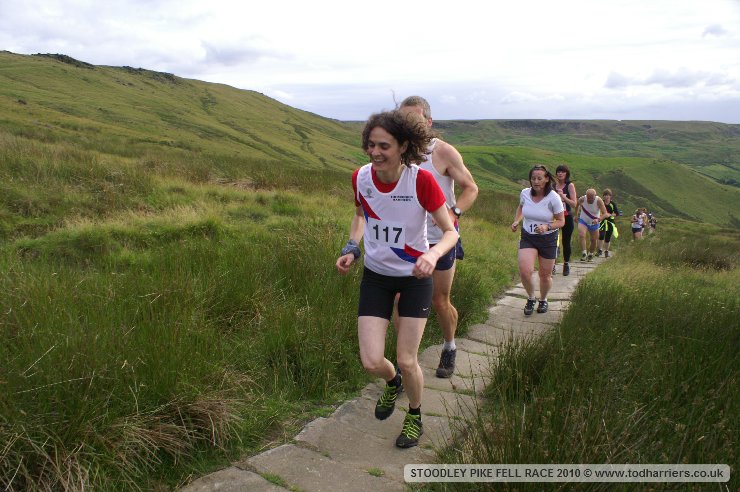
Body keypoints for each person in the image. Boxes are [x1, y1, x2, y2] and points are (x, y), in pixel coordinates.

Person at [336, 110, 458, 449]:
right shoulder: (361, 178)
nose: (375, 153)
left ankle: (415, 415)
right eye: (371, 145)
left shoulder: (421, 181)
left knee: (407, 359)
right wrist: (352, 246)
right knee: (372, 361)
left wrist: (432, 254)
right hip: (376, 277)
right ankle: (393, 383)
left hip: (414, 279)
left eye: (384, 146)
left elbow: (450, 232)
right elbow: (360, 216)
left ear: (403, 146)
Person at [398, 96, 479, 378]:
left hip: (439, 238)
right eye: (403, 118)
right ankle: (405, 361)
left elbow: (471, 188)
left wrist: (453, 213)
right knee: (400, 299)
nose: (407, 123)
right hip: (407, 240)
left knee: (439, 300)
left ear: (428, 121)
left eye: (414, 118)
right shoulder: (398, 150)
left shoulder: (443, 152)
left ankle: (449, 345)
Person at [510, 165, 565, 315]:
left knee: (545, 276)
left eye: (539, 178)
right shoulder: (525, 193)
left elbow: (561, 221)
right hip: (528, 236)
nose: (536, 181)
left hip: (548, 239)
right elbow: (521, 207)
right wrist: (517, 220)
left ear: (546, 179)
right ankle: (531, 297)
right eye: (533, 178)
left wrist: (547, 226)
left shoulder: (553, 197)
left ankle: (543, 299)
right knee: (525, 271)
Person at [553, 164, 577, 275]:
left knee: (566, 241)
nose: (560, 173)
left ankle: (566, 264)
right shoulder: (553, 186)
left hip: (567, 217)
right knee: (553, 241)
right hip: (555, 217)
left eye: (562, 171)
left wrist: (563, 197)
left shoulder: (570, 185)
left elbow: (574, 204)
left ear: (566, 173)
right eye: (558, 171)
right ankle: (552, 265)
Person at [575, 189, 608, 261]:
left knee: (593, 239)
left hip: (594, 222)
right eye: (588, 198)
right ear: (586, 196)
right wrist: (576, 215)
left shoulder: (599, 201)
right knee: (582, 235)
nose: (589, 200)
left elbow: (605, 213)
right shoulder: (582, 199)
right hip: (583, 220)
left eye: (591, 198)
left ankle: (590, 254)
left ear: (595, 196)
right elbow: (577, 205)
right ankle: (584, 253)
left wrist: (598, 219)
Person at [596, 188, 620, 258]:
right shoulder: (601, 202)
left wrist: (610, 215)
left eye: (608, 195)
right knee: (601, 235)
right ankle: (600, 250)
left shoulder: (612, 204)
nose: (606, 197)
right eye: (605, 195)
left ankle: (606, 251)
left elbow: (616, 213)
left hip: (610, 222)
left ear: (610, 196)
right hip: (602, 222)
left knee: (608, 237)